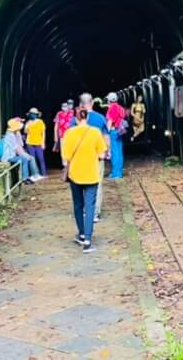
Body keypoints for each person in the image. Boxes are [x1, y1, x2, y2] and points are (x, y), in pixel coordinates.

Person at [61, 103, 107, 253]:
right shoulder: (95, 132)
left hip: (75, 175)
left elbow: (66, 156)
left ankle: (81, 234)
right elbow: (102, 154)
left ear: (75, 117)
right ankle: (88, 240)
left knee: (78, 205)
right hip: (91, 175)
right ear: (87, 117)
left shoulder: (69, 133)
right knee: (90, 206)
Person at [81, 94, 110, 221]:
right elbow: (106, 136)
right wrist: (108, 150)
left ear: (81, 104)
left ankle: (85, 210)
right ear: (92, 102)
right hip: (97, 156)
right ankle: (95, 213)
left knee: (82, 183)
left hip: (81, 157)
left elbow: (69, 137)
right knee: (97, 183)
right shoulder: (100, 118)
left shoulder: (76, 119)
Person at [0, 118, 42, 182]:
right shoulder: (11, 135)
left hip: (11, 155)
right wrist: (25, 154)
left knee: (26, 159)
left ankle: (28, 176)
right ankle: (25, 178)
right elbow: (16, 148)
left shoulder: (11, 134)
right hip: (8, 157)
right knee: (25, 159)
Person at [106, 92, 128, 180]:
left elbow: (110, 121)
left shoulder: (112, 108)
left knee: (114, 153)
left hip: (113, 131)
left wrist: (106, 132)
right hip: (119, 131)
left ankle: (116, 174)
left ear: (109, 100)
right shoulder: (120, 107)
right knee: (119, 152)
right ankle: (118, 172)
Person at [24, 108, 47, 177]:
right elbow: (25, 132)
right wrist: (27, 126)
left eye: (34, 114)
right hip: (30, 143)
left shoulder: (40, 122)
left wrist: (43, 143)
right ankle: (35, 174)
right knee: (32, 159)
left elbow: (43, 133)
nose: (33, 115)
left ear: (37, 115)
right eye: (31, 114)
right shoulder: (28, 122)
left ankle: (44, 173)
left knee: (41, 158)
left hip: (38, 143)